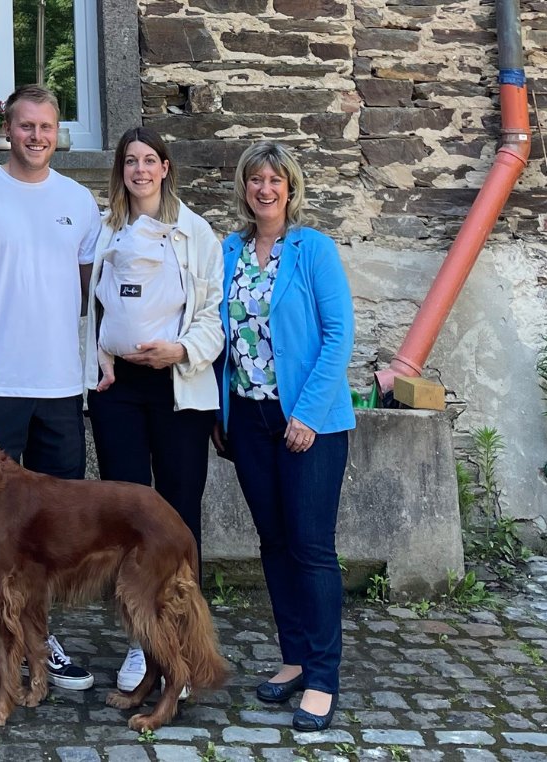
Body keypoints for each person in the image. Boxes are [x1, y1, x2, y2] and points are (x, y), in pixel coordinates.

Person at [0, 84, 103, 697]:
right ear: (7, 130)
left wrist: (97, 361)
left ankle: (39, 638)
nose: (36, 136)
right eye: (26, 126)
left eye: (46, 126)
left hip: (59, 387)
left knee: (48, 527)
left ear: (59, 133)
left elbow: (91, 295)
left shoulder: (79, 202)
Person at [216, 141, 355, 731]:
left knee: (311, 547)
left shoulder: (312, 249)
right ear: (244, 189)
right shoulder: (229, 251)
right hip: (249, 420)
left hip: (309, 423)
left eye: (275, 180)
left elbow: (339, 334)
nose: (265, 189)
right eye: (256, 180)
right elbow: (216, 332)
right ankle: (295, 657)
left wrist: (308, 414)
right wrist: (219, 413)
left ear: (290, 188)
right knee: (273, 543)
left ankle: (323, 677)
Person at [81, 127, 223, 696]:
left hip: (178, 388)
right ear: (121, 170)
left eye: (149, 160)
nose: (139, 170)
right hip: (118, 389)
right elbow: (88, 308)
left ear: (166, 167)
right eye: (130, 161)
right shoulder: (104, 229)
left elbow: (214, 313)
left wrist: (181, 350)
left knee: (178, 515)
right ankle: (143, 641)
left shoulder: (197, 233)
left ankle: (183, 643)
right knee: (126, 517)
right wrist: (99, 356)